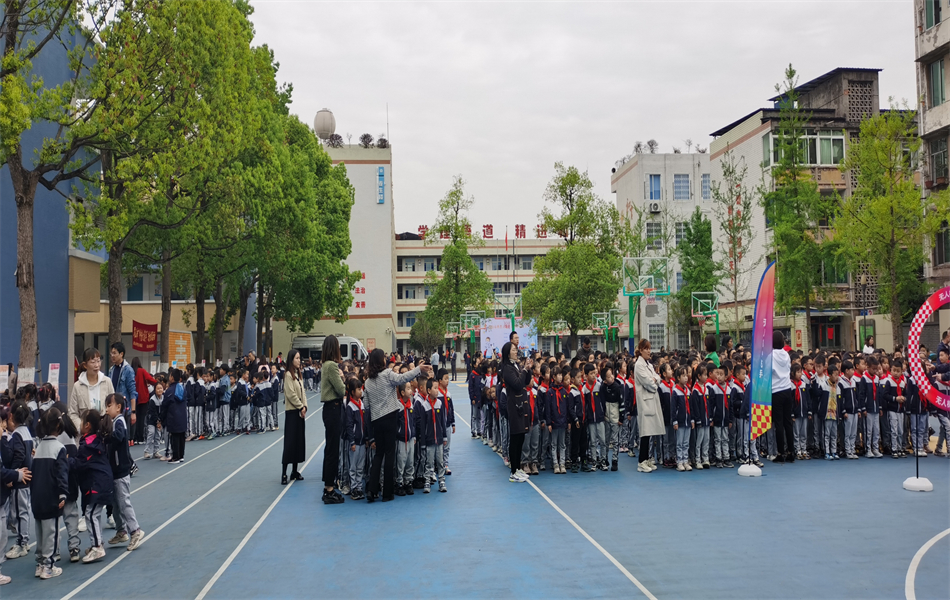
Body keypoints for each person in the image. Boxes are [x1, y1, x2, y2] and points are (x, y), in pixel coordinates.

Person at [363, 348, 430, 502]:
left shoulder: (367, 382)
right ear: (381, 360)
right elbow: (403, 378)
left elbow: (366, 406)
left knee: (379, 454)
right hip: (390, 417)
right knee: (390, 454)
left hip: (376, 420)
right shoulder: (386, 374)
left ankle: (372, 490)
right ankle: (387, 493)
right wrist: (418, 369)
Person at [30, 408, 69, 580]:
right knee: (51, 532)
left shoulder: (39, 448)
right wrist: (62, 494)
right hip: (51, 497)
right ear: (59, 425)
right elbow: (61, 473)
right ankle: (48, 566)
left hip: (37, 497)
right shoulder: (59, 448)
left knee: (39, 532)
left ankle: (40, 564)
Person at [104, 394, 145, 551]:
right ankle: (121, 531)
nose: (106, 409)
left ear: (118, 407)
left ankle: (135, 530)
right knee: (114, 503)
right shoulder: (114, 422)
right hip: (114, 471)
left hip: (121, 471)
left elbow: (119, 437)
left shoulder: (119, 421)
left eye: (109, 406)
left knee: (123, 502)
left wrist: (106, 435)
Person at [73, 409, 113, 563]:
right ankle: (97, 543)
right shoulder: (94, 440)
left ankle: (97, 547)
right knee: (93, 513)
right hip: (99, 481)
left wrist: (66, 461)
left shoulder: (88, 445)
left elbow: (79, 464)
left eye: (81, 422)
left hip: (99, 483)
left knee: (90, 514)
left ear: (87, 425)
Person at [4, 402, 34, 559]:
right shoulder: (27, 432)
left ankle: (22, 542)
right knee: (23, 510)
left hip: (20, 479)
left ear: (12, 416)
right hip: (26, 478)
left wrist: (13, 472)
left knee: (19, 512)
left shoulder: (17, 435)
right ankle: (24, 540)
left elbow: (20, 454)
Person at [501, 341, 532, 483]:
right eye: (513, 349)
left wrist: (528, 369)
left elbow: (525, 381)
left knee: (521, 437)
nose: (516, 351)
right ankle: (513, 471)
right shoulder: (507, 368)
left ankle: (517, 468)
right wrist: (524, 370)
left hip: (521, 404)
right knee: (515, 437)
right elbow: (517, 384)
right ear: (508, 352)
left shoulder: (516, 366)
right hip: (514, 406)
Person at [320, 336, 346, 504]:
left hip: (330, 409)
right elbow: (341, 389)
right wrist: (343, 378)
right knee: (332, 450)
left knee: (330, 448)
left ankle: (328, 485)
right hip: (333, 408)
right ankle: (329, 489)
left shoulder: (325, 365)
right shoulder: (331, 366)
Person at [633, 339, 664, 473]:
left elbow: (658, 378)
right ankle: (641, 461)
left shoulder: (648, 364)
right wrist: (654, 381)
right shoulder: (639, 365)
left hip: (651, 399)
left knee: (650, 431)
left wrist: (654, 380)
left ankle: (646, 459)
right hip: (645, 400)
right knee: (645, 432)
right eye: (646, 348)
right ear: (640, 350)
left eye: (649, 348)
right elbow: (649, 383)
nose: (648, 351)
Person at [68, 348, 115, 433]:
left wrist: (108, 424)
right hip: (86, 436)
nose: (97, 365)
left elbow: (113, 406)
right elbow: (73, 413)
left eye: (98, 361)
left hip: (104, 433)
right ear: (85, 365)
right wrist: (82, 427)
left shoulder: (107, 382)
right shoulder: (77, 386)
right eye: (93, 362)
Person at [416, 379, 448, 493]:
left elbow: (442, 422)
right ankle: (427, 482)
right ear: (428, 390)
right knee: (428, 462)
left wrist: (444, 437)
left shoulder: (440, 403)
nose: (437, 390)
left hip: (439, 440)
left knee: (440, 462)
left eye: (437, 387)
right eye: (434, 388)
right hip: (429, 440)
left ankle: (442, 481)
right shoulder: (424, 406)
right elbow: (423, 426)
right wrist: (423, 443)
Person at [281, 350, 307, 485]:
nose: (299, 360)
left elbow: (303, 393)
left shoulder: (298, 375)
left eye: (299, 358)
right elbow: (291, 394)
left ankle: (294, 471)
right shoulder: (287, 376)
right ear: (291, 360)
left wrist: (305, 407)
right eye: (297, 358)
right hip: (292, 413)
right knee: (290, 443)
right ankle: (284, 473)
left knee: (298, 442)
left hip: (300, 413)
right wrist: (300, 406)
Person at [344, 378, 372, 500]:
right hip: (355, 442)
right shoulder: (350, 407)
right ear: (352, 392)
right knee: (353, 466)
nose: (361, 391)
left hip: (362, 442)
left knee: (360, 466)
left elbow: (365, 423)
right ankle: (354, 487)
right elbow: (349, 426)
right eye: (358, 389)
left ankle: (359, 487)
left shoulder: (362, 404)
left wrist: (366, 438)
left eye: (361, 389)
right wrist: (352, 441)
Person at [770, 331, 795, 463]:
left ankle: (780, 452)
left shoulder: (771, 355)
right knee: (788, 422)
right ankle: (791, 451)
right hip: (787, 388)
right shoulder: (786, 354)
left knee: (778, 423)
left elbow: (770, 371)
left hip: (776, 390)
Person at [394, 382, 416, 496]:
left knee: (410, 461)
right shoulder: (398, 406)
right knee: (401, 461)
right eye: (408, 389)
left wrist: (414, 434)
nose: (410, 390)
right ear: (402, 393)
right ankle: (399, 483)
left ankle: (408, 482)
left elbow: (413, 422)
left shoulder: (411, 405)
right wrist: (398, 433)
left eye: (410, 388)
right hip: (402, 439)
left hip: (411, 438)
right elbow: (396, 423)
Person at [108, 342, 137, 424]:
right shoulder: (111, 370)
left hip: (124, 410)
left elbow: (132, 391)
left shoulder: (128, 370)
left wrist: (133, 412)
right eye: (111, 353)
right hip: (113, 409)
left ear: (121, 354)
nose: (112, 355)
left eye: (114, 353)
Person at [131, 357, 156, 444]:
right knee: (141, 419)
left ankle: (133, 437)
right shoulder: (142, 371)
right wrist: (157, 383)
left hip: (133, 398)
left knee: (133, 418)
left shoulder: (131, 371)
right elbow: (150, 379)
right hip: (142, 398)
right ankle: (140, 438)